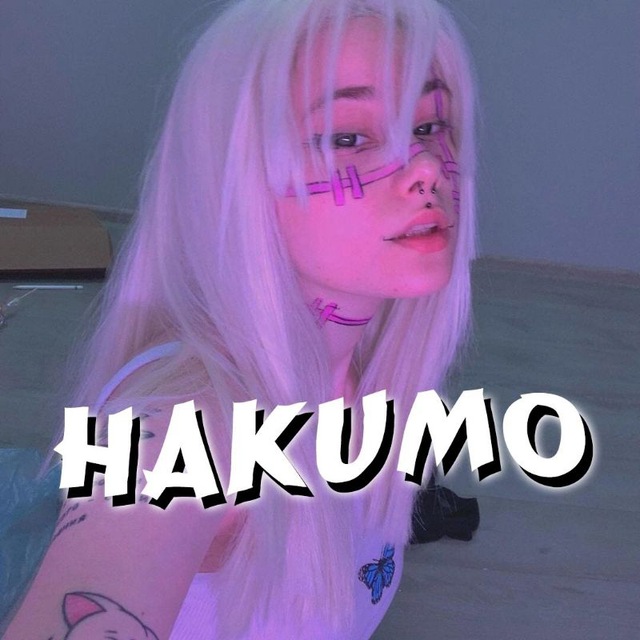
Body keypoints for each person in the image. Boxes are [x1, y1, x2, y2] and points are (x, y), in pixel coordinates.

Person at [3, 0, 477, 637]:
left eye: (429, 125)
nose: (425, 169)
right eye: (349, 138)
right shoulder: (186, 426)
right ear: (237, 175)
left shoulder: (376, 380)